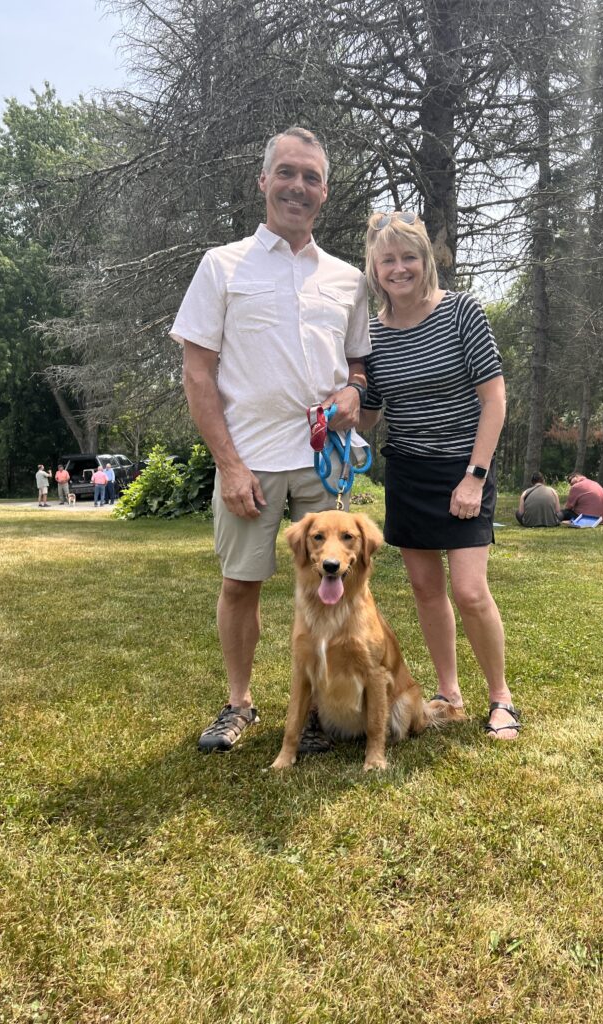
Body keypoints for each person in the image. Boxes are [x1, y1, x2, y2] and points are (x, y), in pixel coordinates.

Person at [170, 126, 371, 754]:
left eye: (311, 177)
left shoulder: (347, 278)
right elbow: (198, 373)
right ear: (264, 181)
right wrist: (228, 465)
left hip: (324, 465)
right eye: (287, 172)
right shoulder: (221, 265)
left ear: (325, 192)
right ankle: (239, 705)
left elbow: (360, 365)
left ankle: (316, 709)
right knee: (240, 584)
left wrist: (355, 392)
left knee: (333, 587)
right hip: (250, 462)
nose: (298, 186)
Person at [359, 211, 521, 741]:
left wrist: (475, 476)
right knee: (427, 589)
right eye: (389, 260)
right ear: (375, 267)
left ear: (426, 260)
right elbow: (372, 410)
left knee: (471, 591)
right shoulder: (372, 335)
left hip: (463, 467)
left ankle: (500, 698)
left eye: (410, 257)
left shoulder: (460, 313)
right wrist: (342, 412)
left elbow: (493, 399)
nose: (400, 268)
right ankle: (449, 693)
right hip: (408, 471)